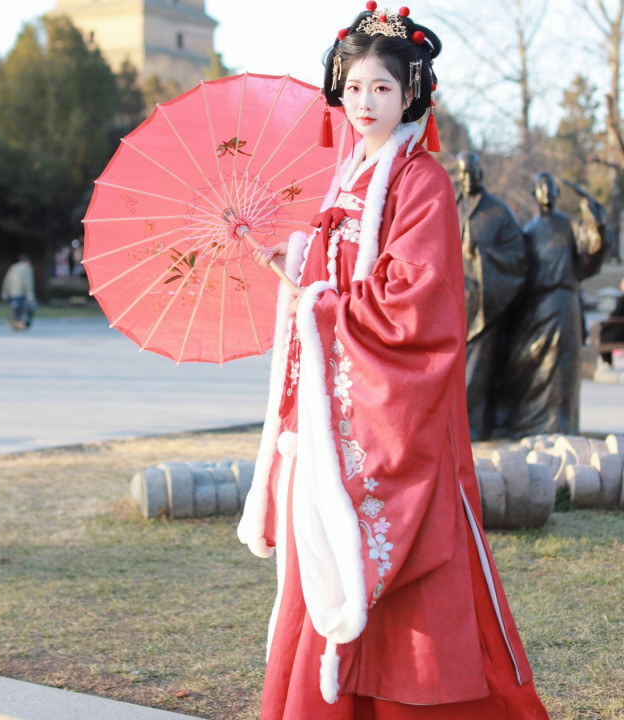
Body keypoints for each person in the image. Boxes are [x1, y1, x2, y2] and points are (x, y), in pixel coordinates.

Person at [237, 4, 549, 719]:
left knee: (403, 570)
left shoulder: (422, 181)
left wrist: (321, 306)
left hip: (391, 416)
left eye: (381, 88)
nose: (364, 102)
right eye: (353, 88)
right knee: (326, 561)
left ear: (410, 93)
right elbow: (335, 279)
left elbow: (415, 301)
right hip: (333, 418)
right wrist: (297, 261)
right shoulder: (345, 179)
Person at [498, 172, 608, 437]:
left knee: (562, 370)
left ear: (557, 193)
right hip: (535, 308)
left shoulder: (571, 226)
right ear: (534, 194)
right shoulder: (528, 231)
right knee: (525, 363)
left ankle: (560, 428)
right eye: (541, 187)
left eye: (550, 187)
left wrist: (592, 217)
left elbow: (593, 248)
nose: (546, 192)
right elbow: (518, 271)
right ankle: (526, 425)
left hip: (563, 304)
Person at [456, 151, 527, 441]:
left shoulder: (499, 212)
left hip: (484, 304)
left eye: (472, 172)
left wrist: (481, 254)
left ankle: (472, 430)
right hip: (451, 302)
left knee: (477, 373)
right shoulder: (449, 203)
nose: (467, 178)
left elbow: (518, 256)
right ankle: (452, 430)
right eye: (462, 172)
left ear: (481, 174)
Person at [1, 253, 37, 330]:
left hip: (12, 293)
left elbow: (7, 280)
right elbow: (28, 281)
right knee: (27, 308)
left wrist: (4, 292)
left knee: (16, 309)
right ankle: (22, 323)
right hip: (21, 293)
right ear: (27, 261)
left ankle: (15, 322)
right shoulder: (27, 267)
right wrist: (30, 293)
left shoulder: (13, 267)